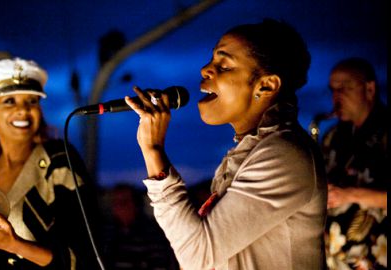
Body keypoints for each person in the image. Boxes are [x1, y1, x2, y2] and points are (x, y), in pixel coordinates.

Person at [125, 18, 327, 269]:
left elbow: (199, 254)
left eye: (224, 65)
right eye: (211, 61)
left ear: (266, 85)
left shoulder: (285, 155)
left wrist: (153, 151)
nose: (205, 70)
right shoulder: (252, 150)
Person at [0, 57, 100, 270]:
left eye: (32, 101)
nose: (23, 110)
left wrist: (12, 244)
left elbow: (85, 255)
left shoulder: (59, 162)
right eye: (10, 101)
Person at [322, 58, 387, 269]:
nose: (336, 96)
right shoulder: (332, 137)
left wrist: (350, 194)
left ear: (370, 89)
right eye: (333, 89)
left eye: (345, 87)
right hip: (335, 260)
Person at [101, 183, 179, 270]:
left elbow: (159, 264)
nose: (119, 206)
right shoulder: (106, 233)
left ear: (136, 205)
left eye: (124, 202)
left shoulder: (152, 234)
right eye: (115, 202)